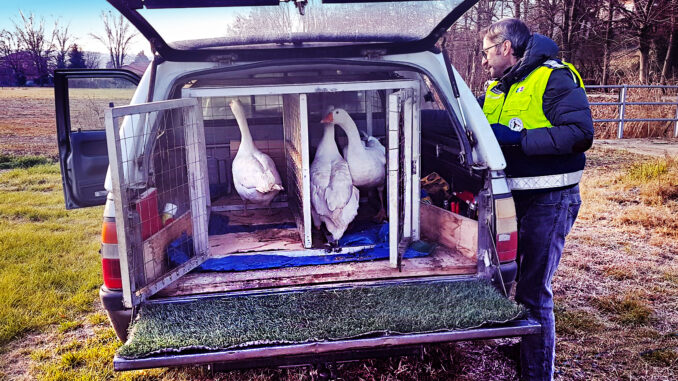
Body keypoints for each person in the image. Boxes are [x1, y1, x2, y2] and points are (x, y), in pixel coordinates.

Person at [479, 18, 594, 381]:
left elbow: (579, 134)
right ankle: (527, 348)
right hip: (513, 198)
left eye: (486, 52)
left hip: (550, 198)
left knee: (533, 289)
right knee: (505, 280)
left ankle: (537, 371)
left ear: (504, 48)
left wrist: (517, 138)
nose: (484, 61)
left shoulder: (554, 77)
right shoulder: (497, 89)